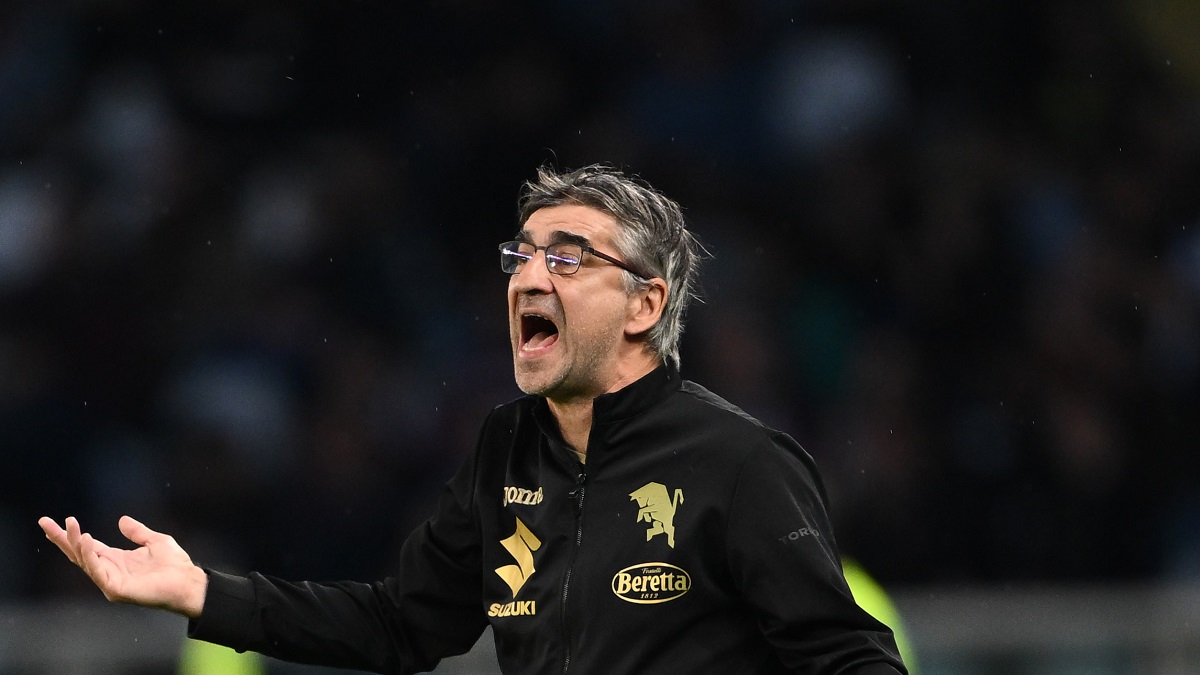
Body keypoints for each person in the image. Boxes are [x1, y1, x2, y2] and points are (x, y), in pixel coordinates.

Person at [40, 164, 908, 674]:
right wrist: (201, 591)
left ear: (645, 304)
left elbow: (854, 661)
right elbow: (400, 624)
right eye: (520, 255)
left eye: (567, 258)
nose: (528, 276)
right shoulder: (506, 449)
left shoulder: (740, 462)